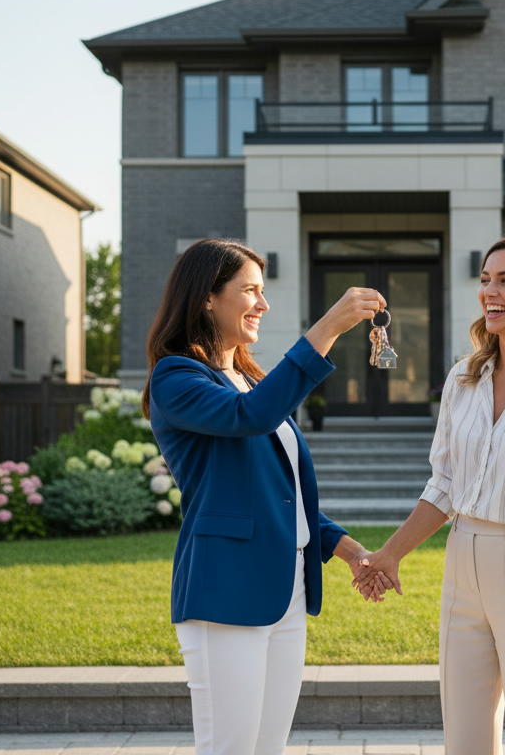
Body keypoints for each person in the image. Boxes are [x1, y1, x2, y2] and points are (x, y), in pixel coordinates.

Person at [143, 238, 391, 755]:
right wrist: (327, 330)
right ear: (208, 297)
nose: (263, 303)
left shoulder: (252, 379)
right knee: (230, 747)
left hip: (287, 587)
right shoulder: (177, 376)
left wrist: (353, 552)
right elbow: (247, 419)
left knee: (268, 746)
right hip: (226, 587)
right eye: (250, 290)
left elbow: (284, 496)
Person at [356, 234, 505, 755]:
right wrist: (387, 556)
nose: (491, 290)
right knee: (463, 736)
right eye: (486, 279)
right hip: (462, 558)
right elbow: (444, 485)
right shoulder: (463, 379)